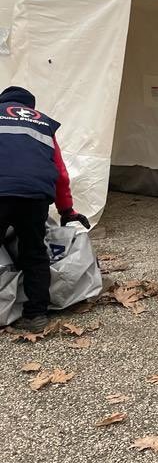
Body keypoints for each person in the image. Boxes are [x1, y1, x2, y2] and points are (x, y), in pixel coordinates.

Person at [0, 86, 88, 333]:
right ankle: (35, 315)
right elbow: (60, 172)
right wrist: (66, 209)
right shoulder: (42, 123)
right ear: (31, 107)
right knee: (34, 252)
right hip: (35, 195)